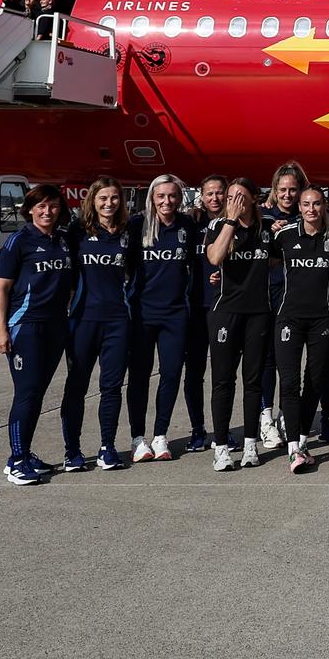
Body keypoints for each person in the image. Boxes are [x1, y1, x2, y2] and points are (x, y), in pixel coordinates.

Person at [0, 185, 74, 484]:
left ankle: (24, 453)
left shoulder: (64, 240)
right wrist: (1, 330)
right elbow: (1, 289)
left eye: (52, 206)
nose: (47, 211)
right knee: (26, 394)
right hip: (26, 326)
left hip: (56, 325)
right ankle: (16, 460)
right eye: (40, 206)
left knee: (37, 393)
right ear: (29, 209)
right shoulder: (19, 241)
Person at [60, 177, 134, 472]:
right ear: (92, 200)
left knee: (111, 387)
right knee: (76, 386)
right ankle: (72, 451)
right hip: (82, 320)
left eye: (114, 198)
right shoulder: (76, 232)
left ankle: (107, 446)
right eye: (103, 198)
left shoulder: (129, 231)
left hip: (117, 321)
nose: (109, 204)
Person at [274, 186, 329, 473]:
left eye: (317, 204)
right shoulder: (284, 235)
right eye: (306, 204)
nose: (311, 209)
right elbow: (261, 263)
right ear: (300, 207)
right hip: (289, 318)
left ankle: (302, 438)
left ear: (324, 207)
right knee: (289, 383)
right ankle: (294, 447)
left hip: (323, 319)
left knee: (315, 381)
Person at [126, 174, 195, 463]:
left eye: (172, 196)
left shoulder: (187, 225)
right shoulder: (136, 225)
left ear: (180, 198)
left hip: (175, 314)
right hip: (143, 313)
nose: (167, 201)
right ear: (152, 198)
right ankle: (138, 438)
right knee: (140, 376)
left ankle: (160, 434)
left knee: (170, 375)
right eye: (161, 196)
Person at [206, 178, 274, 470]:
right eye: (230, 196)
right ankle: (221, 446)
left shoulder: (267, 228)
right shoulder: (218, 226)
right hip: (226, 312)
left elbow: (278, 260)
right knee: (223, 380)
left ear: (254, 199)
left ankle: (250, 444)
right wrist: (230, 221)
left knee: (253, 380)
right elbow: (215, 257)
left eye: (240, 197)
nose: (234, 200)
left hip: (258, 312)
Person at [254, 162, 309, 450]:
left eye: (293, 189)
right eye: (282, 189)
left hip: (299, 300)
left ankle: (288, 415)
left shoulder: (311, 216)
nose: (288, 195)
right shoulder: (262, 217)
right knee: (268, 360)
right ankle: (266, 417)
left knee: (292, 362)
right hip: (269, 296)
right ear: (274, 191)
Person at [181, 174, 227, 452]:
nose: (214, 198)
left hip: (225, 307)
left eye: (219, 193)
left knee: (223, 375)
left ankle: (223, 430)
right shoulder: (192, 222)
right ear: (201, 196)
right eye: (209, 193)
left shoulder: (235, 224)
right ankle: (198, 429)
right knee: (194, 372)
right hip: (196, 307)